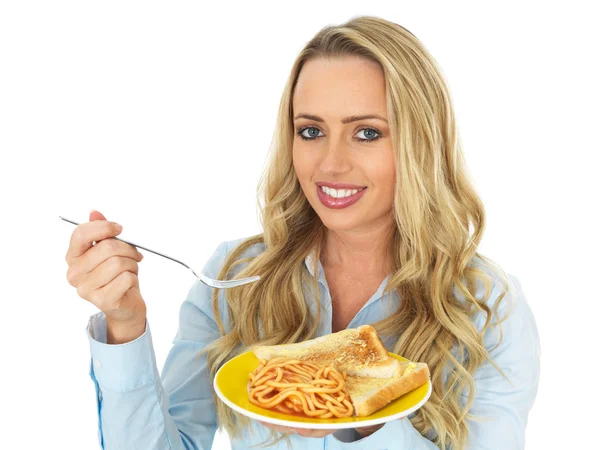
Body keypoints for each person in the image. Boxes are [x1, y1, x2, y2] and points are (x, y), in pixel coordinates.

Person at [64, 15, 541, 450]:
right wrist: (124, 325)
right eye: (311, 131)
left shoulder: (487, 307)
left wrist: (363, 419)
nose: (331, 165)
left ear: (420, 142)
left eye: (367, 133)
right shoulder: (236, 278)